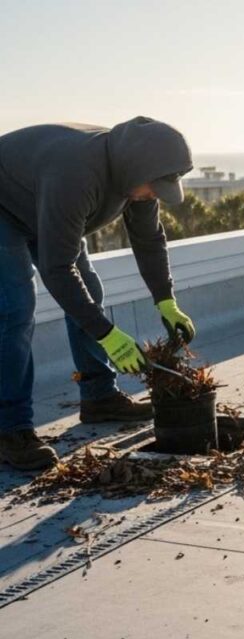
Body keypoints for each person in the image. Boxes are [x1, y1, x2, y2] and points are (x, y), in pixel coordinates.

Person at [0, 117, 196, 470]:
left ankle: (99, 396)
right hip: (4, 207)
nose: (154, 195)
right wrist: (106, 335)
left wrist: (166, 301)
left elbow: (149, 240)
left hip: (41, 206)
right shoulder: (76, 176)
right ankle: (10, 430)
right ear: (138, 169)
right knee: (15, 308)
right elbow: (56, 269)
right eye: (153, 187)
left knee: (89, 288)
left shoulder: (137, 175)